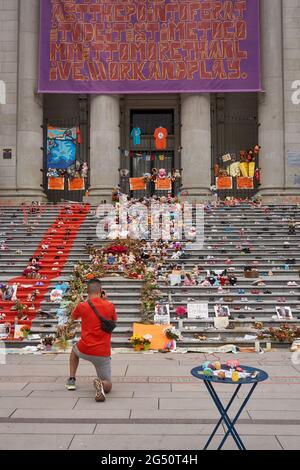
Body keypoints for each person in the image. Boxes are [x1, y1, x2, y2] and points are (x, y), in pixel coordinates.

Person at [66, 279, 117, 402]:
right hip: (102, 353)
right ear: (101, 291)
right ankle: (101, 384)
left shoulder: (82, 306)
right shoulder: (110, 305)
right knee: (109, 384)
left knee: (74, 351)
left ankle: (72, 379)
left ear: (87, 291)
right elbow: (113, 320)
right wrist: (105, 301)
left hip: (84, 348)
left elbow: (72, 318)